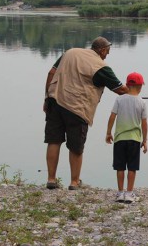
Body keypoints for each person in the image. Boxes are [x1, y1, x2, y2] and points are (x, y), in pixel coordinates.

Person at [43, 36, 128, 190]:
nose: (107, 55)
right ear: (102, 50)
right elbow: (120, 90)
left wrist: (46, 97)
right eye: (107, 52)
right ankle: (74, 182)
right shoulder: (100, 66)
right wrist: (133, 92)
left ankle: (51, 179)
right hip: (77, 107)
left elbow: (51, 73)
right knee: (76, 145)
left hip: (55, 101)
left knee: (53, 140)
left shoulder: (70, 52)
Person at [105, 72, 148, 203]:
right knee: (132, 167)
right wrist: (145, 141)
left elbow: (112, 116)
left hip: (119, 139)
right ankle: (129, 193)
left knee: (120, 167)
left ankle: (119, 193)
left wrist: (108, 132)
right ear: (140, 87)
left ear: (127, 85)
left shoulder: (119, 99)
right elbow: (144, 123)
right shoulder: (142, 102)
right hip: (134, 139)